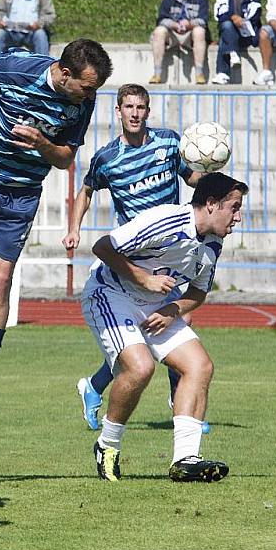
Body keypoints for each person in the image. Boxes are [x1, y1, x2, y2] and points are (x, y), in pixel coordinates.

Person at [0, 39, 113, 427]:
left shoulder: (84, 100)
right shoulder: (18, 69)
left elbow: (66, 158)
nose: (91, 94)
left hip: (21, 192)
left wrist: (42, 143)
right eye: (86, 86)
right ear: (64, 73)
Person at [62, 83, 208, 434]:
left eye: (141, 107)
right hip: (133, 258)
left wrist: (209, 166)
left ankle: (96, 387)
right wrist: (74, 228)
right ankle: (182, 410)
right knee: (169, 327)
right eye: (128, 106)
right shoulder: (108, 158)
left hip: (168, 253)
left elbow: (194, 180)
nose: (135, 113)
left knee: (159, 328)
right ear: (118, 111)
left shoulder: (169, 143)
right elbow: (85, 190)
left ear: (148, 110)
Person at [84, 172, 246, 483]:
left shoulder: (213, 244)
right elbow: (102, 247)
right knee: (140, 368)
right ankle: (107, 445)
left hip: (157, 306)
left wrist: (172, 311)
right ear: (211, 204)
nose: (238, 217)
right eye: (234, 207)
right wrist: (144, 279)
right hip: (110, 294)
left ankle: (186, 459)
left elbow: (197, 293)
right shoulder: (166, 220)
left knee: (200, 366)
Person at [149, 0, 209, 85]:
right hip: (173, 33)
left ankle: (199, 74)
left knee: (200, 31)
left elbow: (203, 20)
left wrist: (190, 23)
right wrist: (174, 24)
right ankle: (157, 73)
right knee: (159, 31)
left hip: (190, 34)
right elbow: (161, 19)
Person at [211, 0, 262, 85]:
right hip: (230, 30)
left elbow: (255, 16)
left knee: (225, 37)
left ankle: (222, 73)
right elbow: (219, 15)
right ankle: (232, 54)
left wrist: (242, 21)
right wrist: (233, 17)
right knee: (227, 26)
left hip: (248, 34)